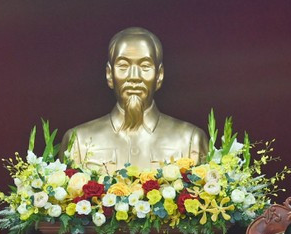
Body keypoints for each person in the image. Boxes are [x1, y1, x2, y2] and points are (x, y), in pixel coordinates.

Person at [60, 27, 208, 171]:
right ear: (109, 74)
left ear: (159, 75)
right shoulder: (78, 140)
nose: (134, 77)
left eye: (145, 66)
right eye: (123, 66)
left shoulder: (191, 139)